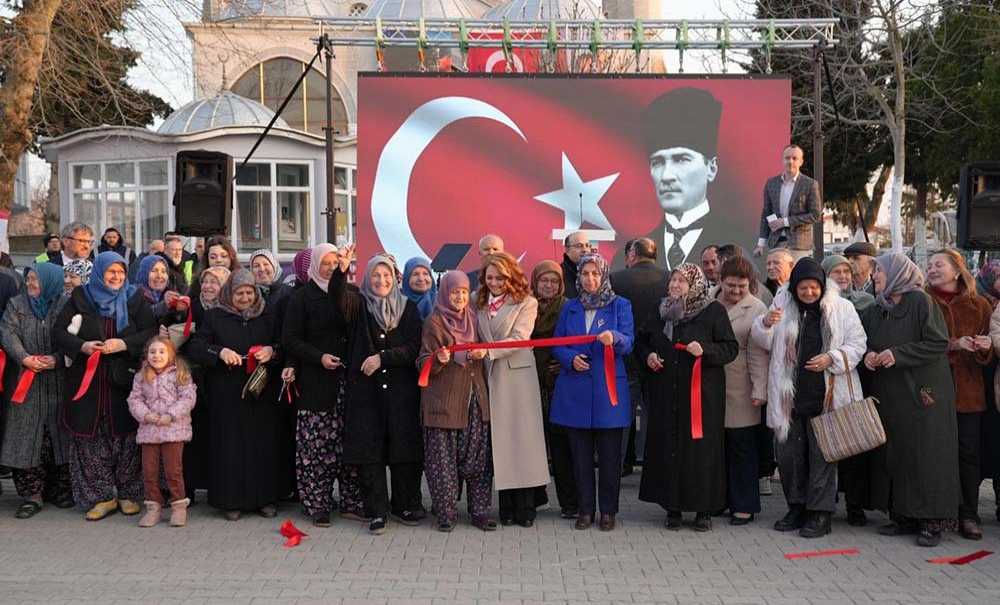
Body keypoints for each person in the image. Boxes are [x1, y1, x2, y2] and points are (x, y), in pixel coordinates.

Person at [752, 258, 866, 538]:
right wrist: (765, 323)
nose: (809, 293)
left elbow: (858, 343)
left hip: (825, 396)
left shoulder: (841, 308)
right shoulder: (783, 306)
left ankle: (820, 513)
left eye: (814, 287)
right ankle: (796, 507)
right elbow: (763, 339)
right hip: (790, 398)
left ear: (822, 286)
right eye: (803, 287)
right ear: (795, 288)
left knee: (822, 458)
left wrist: (832, 357)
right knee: (790, 458)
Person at [860, 253, 960, 547]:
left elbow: (937, 342)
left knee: (927, 455)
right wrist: (869, 355)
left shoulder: (919, 301)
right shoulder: (879, 308)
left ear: (895, 273)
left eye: (878, 271)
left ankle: (931, 520)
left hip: (923, 393)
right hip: (892, 394)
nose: (874, 277)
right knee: (899, 454)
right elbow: (868, 341)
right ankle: (903, 515)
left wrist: (897, 355)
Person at [53, 251, 156, 521]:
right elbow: (59, 332)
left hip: (123, 380)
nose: (116, 277)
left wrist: (124, 344)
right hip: (87, 383)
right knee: (91, 440)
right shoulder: (80, 298)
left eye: (121, 272)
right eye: (111, 272)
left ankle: (128, 494)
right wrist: (82, 346)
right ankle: (101, 497)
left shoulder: (135, 298)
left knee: (126, 438)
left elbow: (150, 332)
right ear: (99, 272)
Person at [330, 250, 424, 535]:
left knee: (403, 449)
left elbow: (413, 347)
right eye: (375, 275)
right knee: (371, 453)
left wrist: (383, 358)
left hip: (401, 392)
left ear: (394, 278)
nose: (381, 280)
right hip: (367, 394)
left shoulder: (408, 308)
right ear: (367, 278)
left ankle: (405, 504)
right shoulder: (358, 305)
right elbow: (338, 299)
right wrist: (341, 271)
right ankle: (377, 511)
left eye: (386, 275)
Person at [638, 263, 737, 531]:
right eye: (673, 280)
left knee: (700, 452)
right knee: (670, 449)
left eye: (682, 281)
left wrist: (703, 349)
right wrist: (648, 355)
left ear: (695, 284)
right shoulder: (661, 311)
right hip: (666, 394)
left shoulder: (712, 310)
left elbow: (730, 348)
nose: (675, 285)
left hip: (701, 396)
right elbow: (643, 340)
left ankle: (703, 509)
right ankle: (673, 507)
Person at [187, 269, 289, 520]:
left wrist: (271, 351)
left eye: (249, 292)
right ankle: (230, 501)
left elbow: (283, 345)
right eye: (239, 293)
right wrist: (219, 352)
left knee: (262, 446)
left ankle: (264, 499)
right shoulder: (214, 316)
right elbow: (196, 348)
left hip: (260, 392)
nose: (244, 298)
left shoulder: (268, 315)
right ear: (229, 293)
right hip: (227, 394)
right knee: (230, 447)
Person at [614, 88, 747, 269]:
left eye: (681, 159)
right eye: (658, 162)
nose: (667, 176)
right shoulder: (630, 256)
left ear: (711, 168)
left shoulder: (742, 246)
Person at [281, 243, 362, 528]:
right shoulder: (302, 297)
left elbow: (349, 320)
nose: (329, 267)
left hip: (347, 384)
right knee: (316, 450)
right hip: (316, 383)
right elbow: (290, 339)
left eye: (335, 262)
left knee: (348, 447)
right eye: (325, 262)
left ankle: (352, 502)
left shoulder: (351, 294)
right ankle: (318, 505)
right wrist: (318, 357)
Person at [551, 253, 633, 531]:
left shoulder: (620, 305)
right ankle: (585, 509)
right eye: (585, 274)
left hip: (608, 390)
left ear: (604, 275)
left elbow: (629, 341)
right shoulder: (570, 307)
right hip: (575, 390)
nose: (590, 279)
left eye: (595, 274)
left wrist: (615, 339)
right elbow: (557, 343)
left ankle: (608, 511)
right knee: (580, 457)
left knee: (610, 458)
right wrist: (568, 358)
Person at [476, 252, 549, 527]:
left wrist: (487, 352)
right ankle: (506, 506)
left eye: (500, 277)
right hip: (490, 375)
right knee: (502, 443)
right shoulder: (478, 301)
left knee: (524, 442)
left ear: (511, 277)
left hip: (518, 376)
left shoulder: (526, 303)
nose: (494, 282)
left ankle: (527, 507)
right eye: (490, 277)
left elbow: (520, 338)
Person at [418, 271, 495, 532]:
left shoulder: (475, 319)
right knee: (442, 461)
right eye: (454, 291)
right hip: (444, 402)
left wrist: (482, 352)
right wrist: (436, 360)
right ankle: (446, 512)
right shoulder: (434, 322)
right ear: (444, 293)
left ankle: (480, 511)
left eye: (463, 291)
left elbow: (489, 352)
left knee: (478, 460)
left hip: (475, 400)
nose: (460, 296)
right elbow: (421, 362)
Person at [925, 249, 993, 540]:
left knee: (968, 455)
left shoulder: (980, 305)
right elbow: (918, 345)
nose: (932, 269)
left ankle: (968, 514)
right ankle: (936, 515)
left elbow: (988, 355)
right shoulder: (923, 302)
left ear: (957, 270)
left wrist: (983, 347)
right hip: (932, 392)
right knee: (935, 454)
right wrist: (953, 345)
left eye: (939, 264)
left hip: (969, 392)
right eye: (929, 265)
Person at [0, 263, 73, 518]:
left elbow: (73, 336)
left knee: (58, 437)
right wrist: (24, 358)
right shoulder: (16, 305)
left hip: (57, 382)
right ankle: (32, 495)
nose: (30, 283)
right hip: (25, 381)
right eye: (28, 278)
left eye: (35, 279)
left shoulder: (64, 304)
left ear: (50, 282)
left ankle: (59, 490)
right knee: (26, 438)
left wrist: (56, 358)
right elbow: (7, 333)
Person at [822, 254, 876, 527]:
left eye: (846, 271)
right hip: (822, 384)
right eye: (836, 272)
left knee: (853, 446)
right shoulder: (815, 305)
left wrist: (836, 358)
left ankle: (855, 505)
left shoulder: (865, 302)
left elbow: (861, 342)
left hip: (852, 378)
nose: (843, 276)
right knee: (827, 446)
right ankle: (825, 502)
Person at [715, 256, 769, 525]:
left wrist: (760, 388)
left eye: (742, 286)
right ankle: (720, 499)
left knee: (742, 447)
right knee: (718, 446)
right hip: (711, 384)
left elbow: (759, 353)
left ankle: (744, 505)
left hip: (742, 385)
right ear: (720, 281)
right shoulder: (709, 302)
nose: (736, 291)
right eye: (730, 285)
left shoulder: (757, 308)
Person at [610, 237, 669, 474]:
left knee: (622, 415)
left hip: (624, 355)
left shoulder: (616, 279)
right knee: (654, 414)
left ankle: (616, 465)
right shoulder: (669, 278)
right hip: (657, 355)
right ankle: (653, 466)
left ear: (632, 254)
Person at [127, 336, 196, 528]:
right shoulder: (141, 375)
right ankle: (153, 507)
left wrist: (171, 415)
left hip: (173, 430)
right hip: (149, 430)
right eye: (152, 352)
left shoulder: (180, 373)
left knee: (173, 470)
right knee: (149, 471)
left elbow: (188, 398)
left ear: (171, 354)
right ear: (147, 355)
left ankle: (178, 507)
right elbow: (134, 400)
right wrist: (146, 415)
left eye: (162, 351)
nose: (157, 355)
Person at [530, 260, 578, 519]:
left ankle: (569, 503)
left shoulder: (569, 307)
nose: (548, 286)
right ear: (535, 281)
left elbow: (576, 338)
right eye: (543, 280)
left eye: (554, 281)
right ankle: (536, 498)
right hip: (530, 382)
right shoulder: (525, 306)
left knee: (562, 445)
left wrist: (564, 359)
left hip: (560, 383)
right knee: (534, 443)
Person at [181, 266, 230, 504]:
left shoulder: (231, 310)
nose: (209, 286)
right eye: (206, 281)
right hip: (191, 379)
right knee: (193, 437)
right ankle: (188, 488)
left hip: (219, 381)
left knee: (216, 436)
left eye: (215, 282)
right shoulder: (189, 306)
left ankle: (214, 485)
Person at [754, 145, 822, 260]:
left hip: (799, 246)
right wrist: (760, 244)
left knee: (796, 277)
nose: (790, 161)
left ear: (801, 162)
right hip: (776, 243)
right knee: (778, 277)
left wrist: (785, 222)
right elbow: (766, 213)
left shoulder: (810, 184)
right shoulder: (771, 183)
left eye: (795, 158)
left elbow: (815, 215)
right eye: (787, 158)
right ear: (782, 160)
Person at [561, 231, 590, 298]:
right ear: (567, 250)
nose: (584, 250)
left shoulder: (597, 274)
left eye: (587, 245)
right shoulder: (559, 273)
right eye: (579, 246)